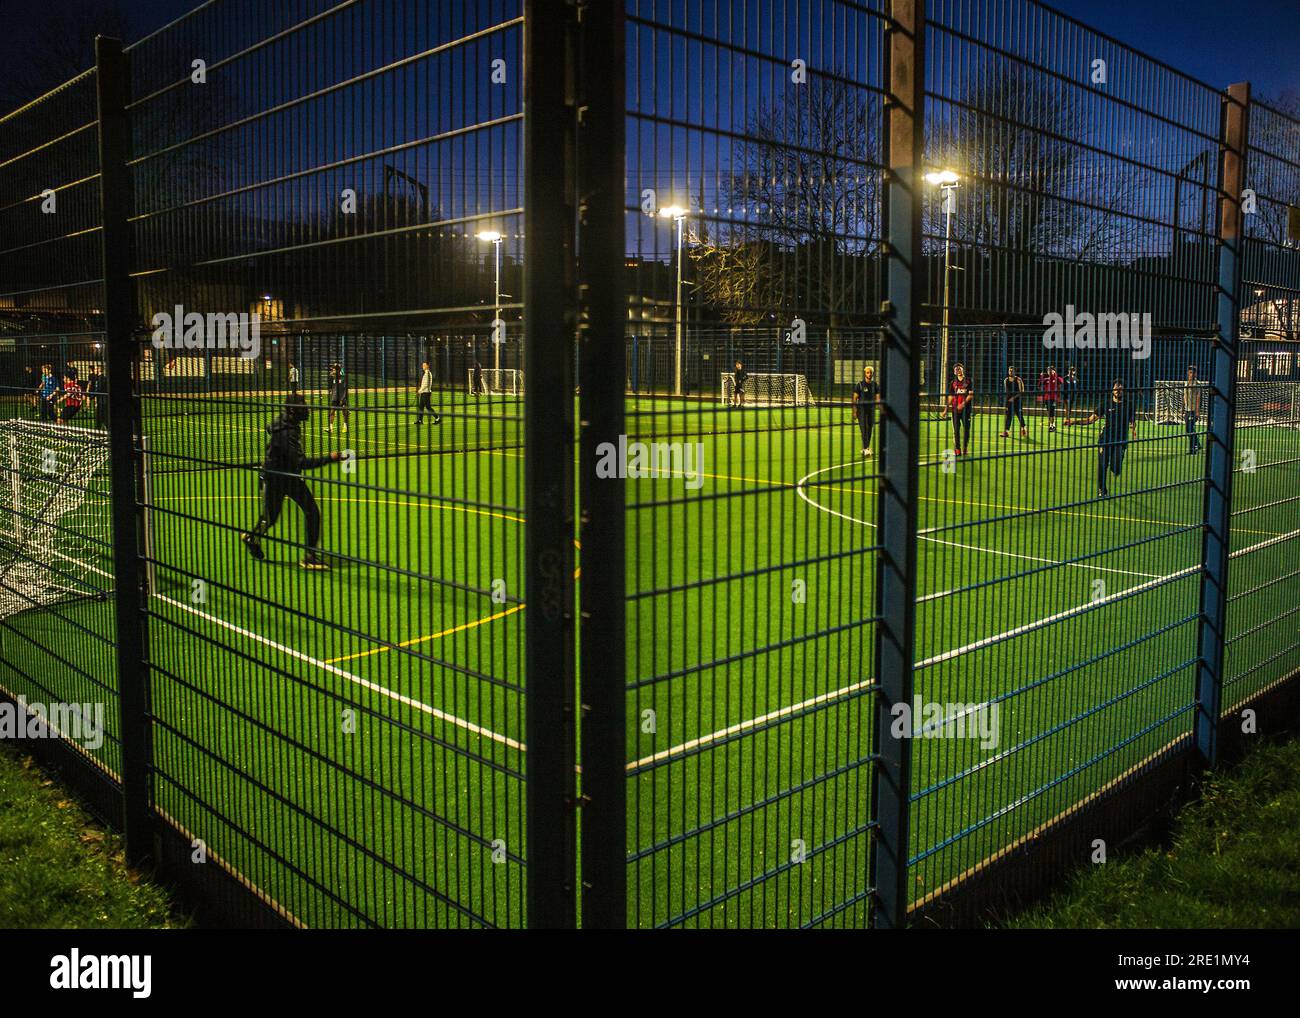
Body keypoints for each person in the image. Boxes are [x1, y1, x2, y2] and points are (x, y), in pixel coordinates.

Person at [241, 394, 343, 570]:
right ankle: (308, 557)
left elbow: (269, 427)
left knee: (307, 512)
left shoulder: (285, 423)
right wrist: (330, 458)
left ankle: (253, 538)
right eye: (304, 407)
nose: (308, 410)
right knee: (273, 517)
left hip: (286, 476)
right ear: (293, 411)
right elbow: (302, 462)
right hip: (276, 478)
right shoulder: (286, 432)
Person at [1081, 378, 1138, 497]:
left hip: (1121, 440)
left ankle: (1117, 463)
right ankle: (1102, 490)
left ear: (1124, 391)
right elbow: (1090, 420)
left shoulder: (1130, 404)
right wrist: (1073, 422)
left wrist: (1134, 431)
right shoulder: (1106, 404)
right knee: (1102, 464)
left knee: (1116, 468)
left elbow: (1132, 421)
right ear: (1112, 390)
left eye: (1120, 388)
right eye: (1116, 388)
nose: (1118, 390)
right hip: (1105, 439)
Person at [940, 362, 975, 456]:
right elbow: (951, 397)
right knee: (956, 430)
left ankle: (965, 447)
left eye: (959, 368)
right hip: (955, 410)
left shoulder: (968, 381)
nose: (957, 370)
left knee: (966, 429)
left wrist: (963, 404)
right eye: (956, 369)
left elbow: (971, 395)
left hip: (966, 410)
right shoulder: (953, 383)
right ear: (954, 372)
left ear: (962, 369)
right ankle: (957, 449)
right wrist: (946, 409)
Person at [851, 364, 879, 456]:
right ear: (865, 374)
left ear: (873, 374)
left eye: (870, 373)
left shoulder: (875, 385)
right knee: (864, 429)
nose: (869, 374)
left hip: (871, 409)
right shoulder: (859, 385)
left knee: (870, 429)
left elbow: (878, 398)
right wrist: (854, 411)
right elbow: (854, 398)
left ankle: (865, 448)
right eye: (867, 373)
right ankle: (866, 448)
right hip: (861, 410)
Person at [1001, 365, 1026, 438]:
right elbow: (1006, 391)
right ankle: (1006, 432)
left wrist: (1014, 398)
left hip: (1017, 401)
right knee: (1008, 416)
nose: (1010, 372)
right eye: (1009, 370)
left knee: (1019, 415)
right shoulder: (1006, 380)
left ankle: (1023, 428)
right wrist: (1007, 401)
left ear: (1015, 372)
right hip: (1009, 401)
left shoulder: (1018, 380)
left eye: (1012, 371)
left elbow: (1021, 391)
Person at [1182, 364, 1201, 454]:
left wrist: (1197, 411)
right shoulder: (1186, 383)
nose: (1190, 374)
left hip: (1193, 410)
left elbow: (1198, 397)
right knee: (1188, 429)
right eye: (1189, 372)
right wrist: (1183, 408)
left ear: (1195, 374)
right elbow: (1184, 396)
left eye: (1192, 373)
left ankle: (1193, 449)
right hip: (1187, 409)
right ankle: (1197, 444)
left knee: (1190, 429)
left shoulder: (1196, 383)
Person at [415, 360, 441, 425]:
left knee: (428, 407)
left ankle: (438, 418)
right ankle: (420, 420)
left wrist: (419, 391)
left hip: (426, 393)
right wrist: (420, 391)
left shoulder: (428, 374)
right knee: (421, 407)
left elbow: (426, 384)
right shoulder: (426, 373)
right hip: (424, 393)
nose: (422, 366)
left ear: (427, 366)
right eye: (423, 365)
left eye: (424, 365)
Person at [325, 362, 349, 434]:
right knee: (332, 412)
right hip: (334, 398)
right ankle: (330, 428)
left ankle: (345, 427)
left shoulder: (343, 378)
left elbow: (345, 389)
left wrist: (343, 398)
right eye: (332, 370)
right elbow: (330, 388)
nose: (332, 371)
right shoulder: (332, 378)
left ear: (338, 370)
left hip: (342, 398)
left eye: (334, 370)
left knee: (344, 412)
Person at [1038, 365, 1062, 432]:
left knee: (1052, 412)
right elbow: (1039, 385)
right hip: (1046, 398)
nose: (1049, 371)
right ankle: (1052, 425)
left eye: (1051, 370)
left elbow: (1060, 383)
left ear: (1054, 371)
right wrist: (1041, 377)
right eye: (1048, 370)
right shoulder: (1046, 379)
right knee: (1049, 412)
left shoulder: (1057, 378)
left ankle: (1052, 426)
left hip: (1053, 398)